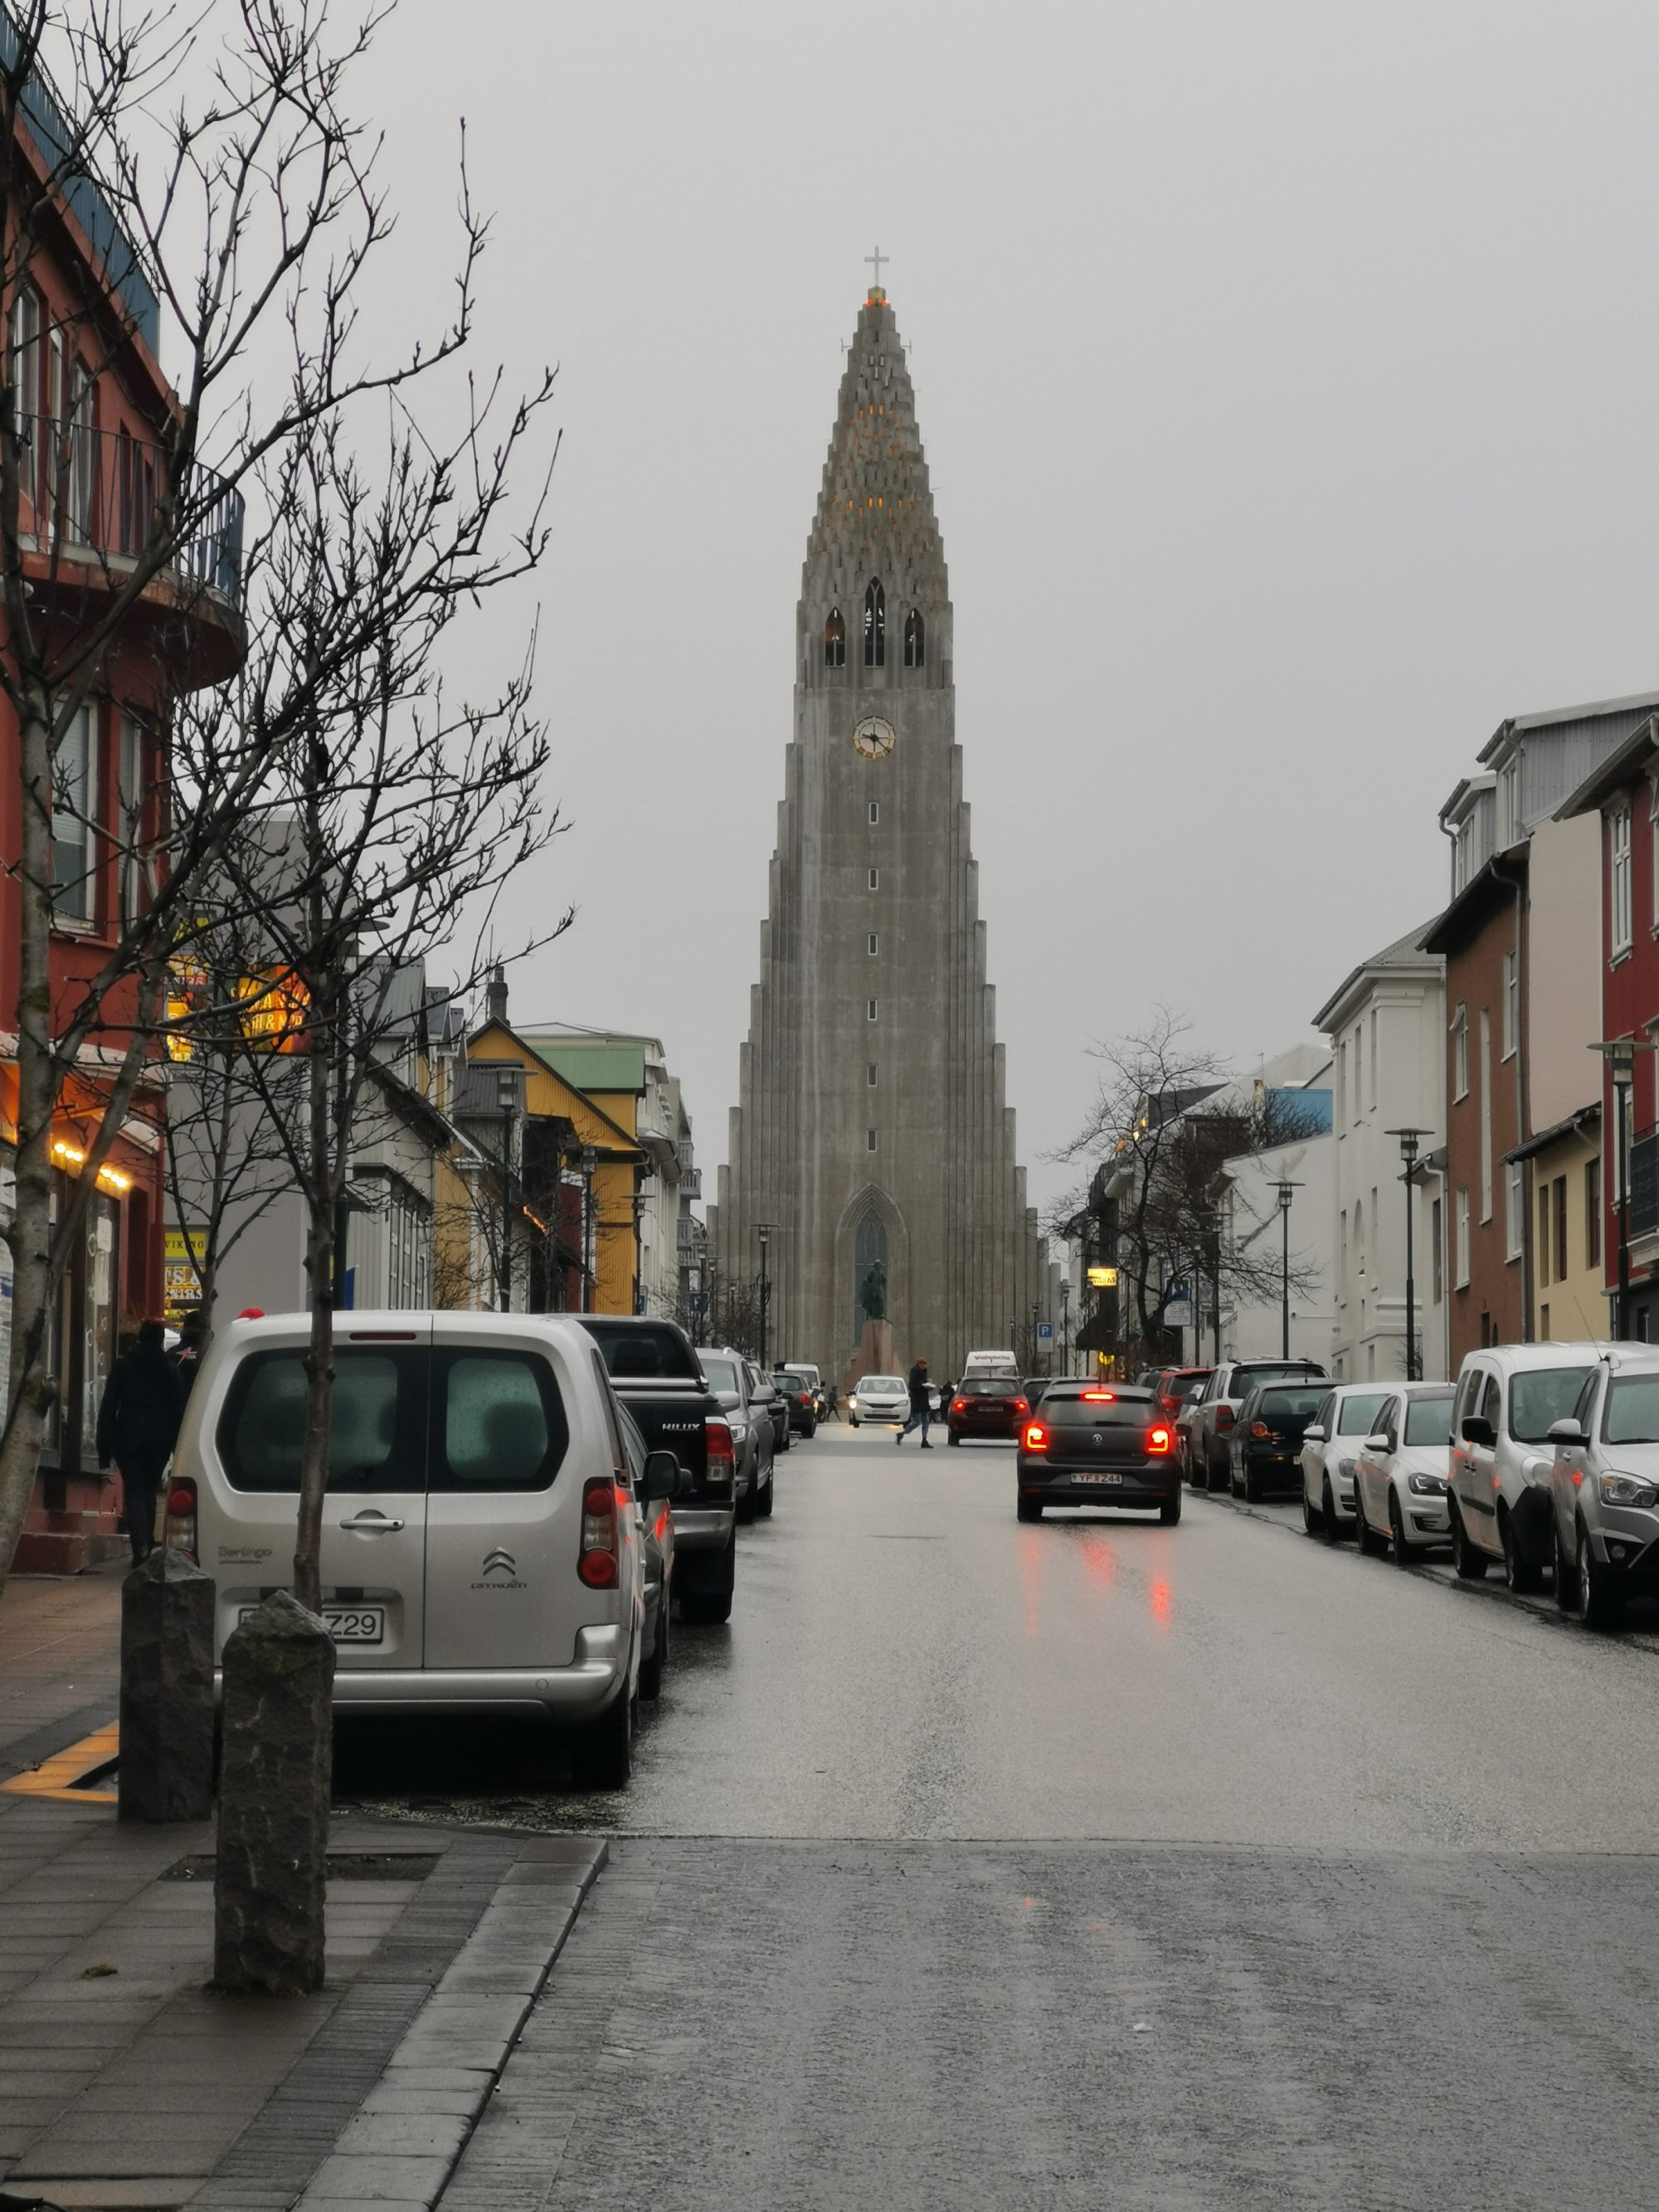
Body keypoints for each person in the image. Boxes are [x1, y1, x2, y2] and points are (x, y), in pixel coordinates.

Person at [96, 1319, 187, 1565]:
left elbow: (109, 1406)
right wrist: (181, 1447)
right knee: (149, 1488)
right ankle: (146, 1540)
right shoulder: (169, 1369)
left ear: (140, 1337)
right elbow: (179, 1409)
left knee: (135, 1488)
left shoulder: (124, 1365)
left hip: (128, 1434)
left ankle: (141, 1545)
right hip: (160, 1437)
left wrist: (103, 1444)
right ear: (160, 1340)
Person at [896, 1356, 932, 1448]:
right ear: (919, 1364)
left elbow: (924, 1384)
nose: (925, 1366)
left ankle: (924, 1440)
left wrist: (929, 1388)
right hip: (917, 1401)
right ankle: (902, 1434)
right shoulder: (914, 1372)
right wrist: (922, 1387)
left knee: (926, 1422)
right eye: (923, 1365)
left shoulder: (924, 1372)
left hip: (924, 1401)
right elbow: (912, 1386)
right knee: (916, 1421)